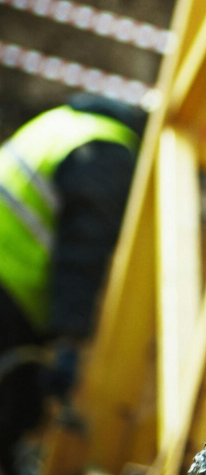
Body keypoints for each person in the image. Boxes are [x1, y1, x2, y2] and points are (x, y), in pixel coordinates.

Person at [0, 93, 144, 474]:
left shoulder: (62, 122)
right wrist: (68, 339)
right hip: (9, 287)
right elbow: (82, 254)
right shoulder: (108, 151)